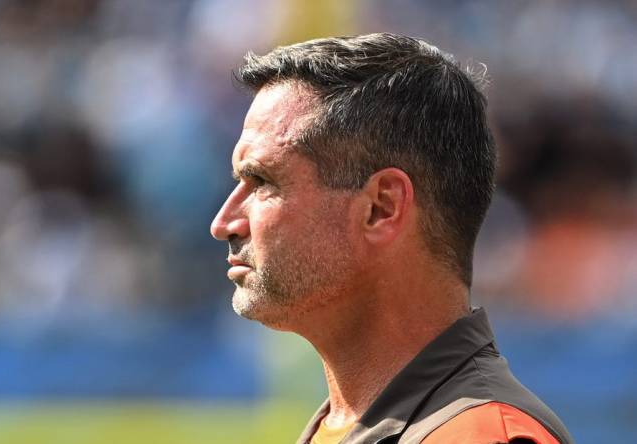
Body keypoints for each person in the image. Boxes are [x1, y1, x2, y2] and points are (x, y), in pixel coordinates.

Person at [209, 33, 573, 444]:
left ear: (382, 207)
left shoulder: (479, 436)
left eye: (262, 182)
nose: (224, 222)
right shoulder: (350, 424)